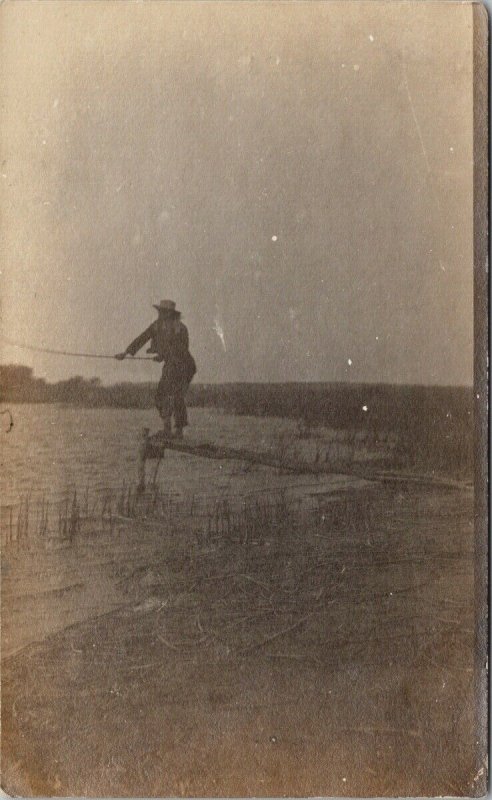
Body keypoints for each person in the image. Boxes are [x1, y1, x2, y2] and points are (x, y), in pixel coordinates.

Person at [115, 300, 196, 438]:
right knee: (165, 395)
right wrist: (126, 353)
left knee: (171, 395)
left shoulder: (179, 328)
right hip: (172, 363)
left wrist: (162, 356)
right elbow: (143, 338)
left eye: (163, 312)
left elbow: (181, 349)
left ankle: (174, 431)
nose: (160, 314)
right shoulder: (156, 326)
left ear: (170, 314)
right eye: (160, 311)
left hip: (184, 365)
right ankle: (169, 429)